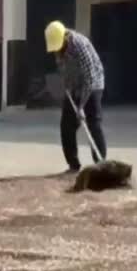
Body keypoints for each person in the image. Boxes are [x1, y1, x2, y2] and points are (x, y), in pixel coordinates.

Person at [45, 20, 107, 173]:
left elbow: (89, 79)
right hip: (74, 85)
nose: (56, 52)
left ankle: (101, 165)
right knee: (66, 125)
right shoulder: (58, 47)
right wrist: (67, 85)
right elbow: (63, 69)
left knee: (93, 124)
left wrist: (81, 107)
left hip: (93, 84)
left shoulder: (80, 45)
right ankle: (73, 165)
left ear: (65, 37)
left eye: (58, 48)